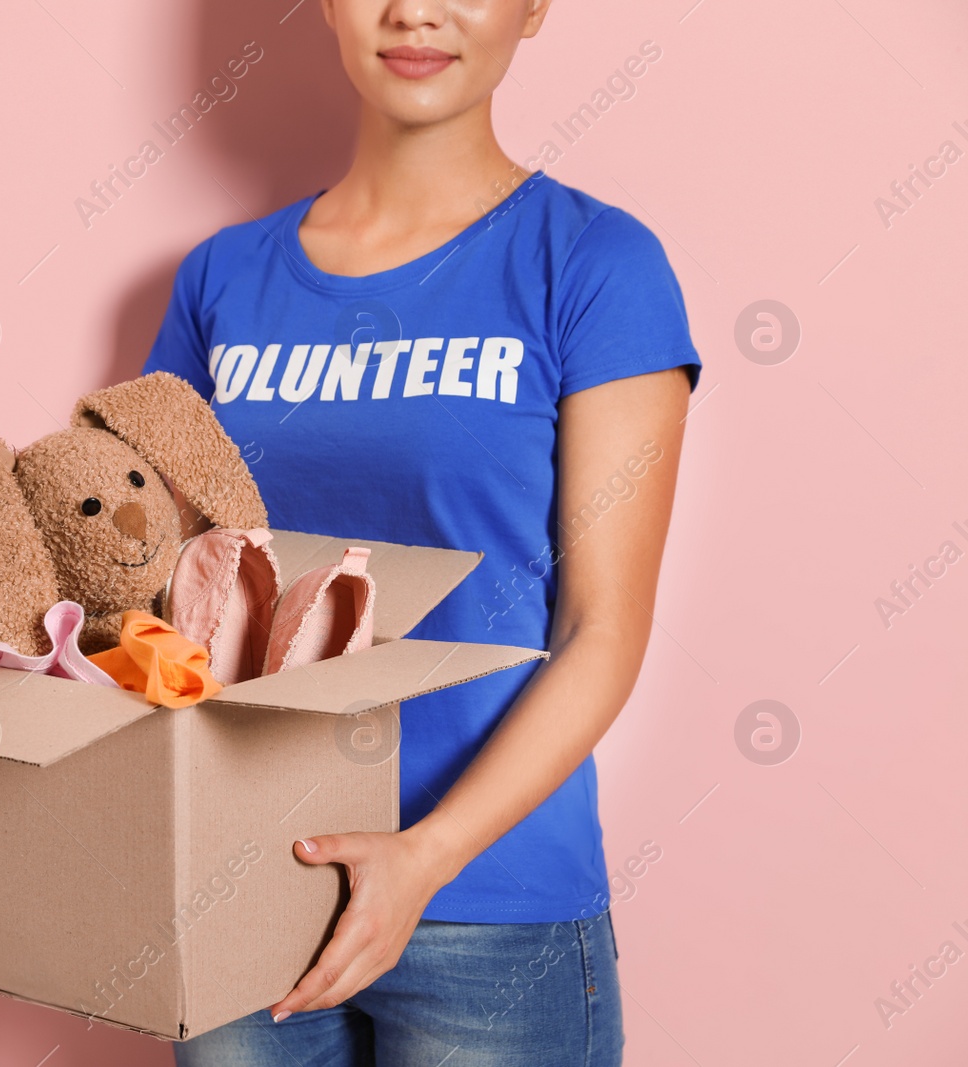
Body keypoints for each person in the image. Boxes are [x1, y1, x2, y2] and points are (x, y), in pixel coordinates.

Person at [140, 1, 700, 1063]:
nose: (416, 9)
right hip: (239, 878)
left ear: (534, 7)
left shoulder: (593, 264)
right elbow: (164, 582)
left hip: (490, 903)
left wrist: (424, 855)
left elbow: (602, 629)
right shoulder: (221, 278)